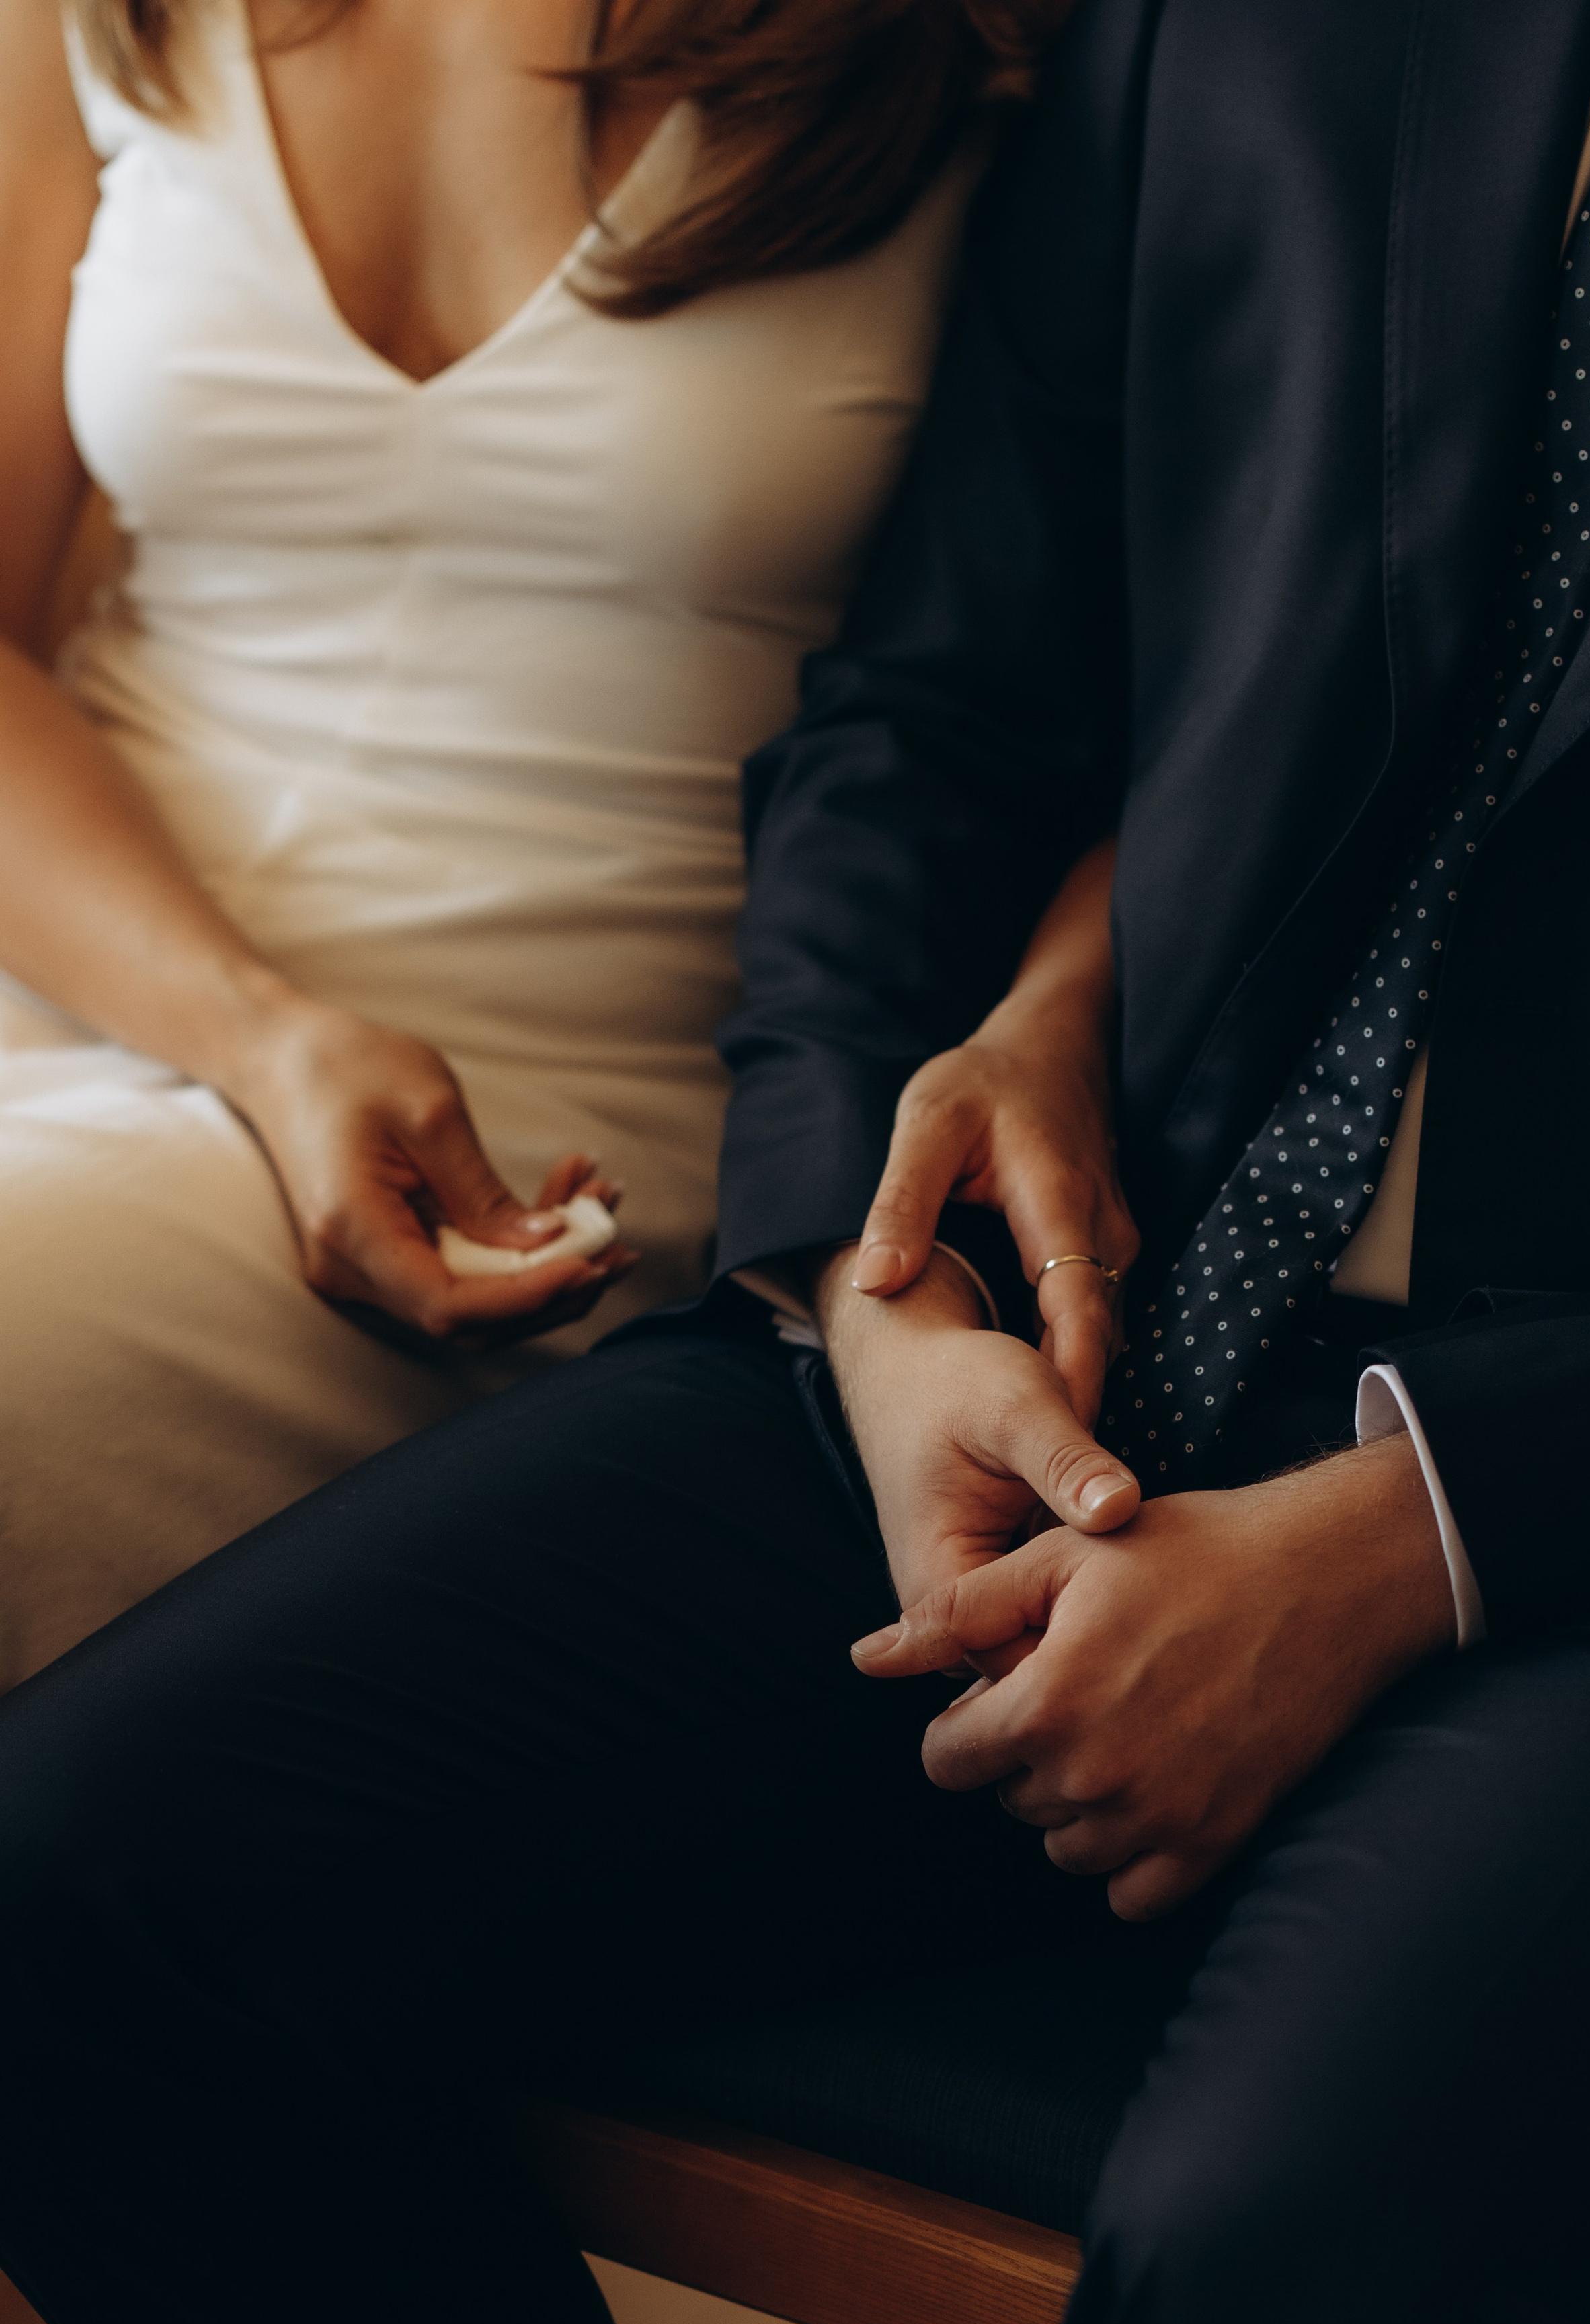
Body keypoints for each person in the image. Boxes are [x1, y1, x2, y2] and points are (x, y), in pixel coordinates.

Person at [1, 0, 1590, 2324]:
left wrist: (1425, 1525)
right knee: (86, 1886)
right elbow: (949, 705)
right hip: (1090, 1301)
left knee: (1305, 2291)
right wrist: (880, 1277)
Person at [0, 0, 1054, 1687]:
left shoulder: (976, 52)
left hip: (542, 1130)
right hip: (102, 964)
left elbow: (1106, 700)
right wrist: (260, 1037)